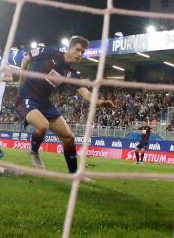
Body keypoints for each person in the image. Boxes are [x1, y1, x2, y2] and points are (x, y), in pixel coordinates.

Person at [16, 36, 115, 174]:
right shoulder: (48, 52)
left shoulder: (70, 73)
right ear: (69, 48)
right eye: (78, 50)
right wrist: (21, 82)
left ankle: (74, 173)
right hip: (27, 96)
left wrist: (100, 102)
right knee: (43, 125)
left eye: (83, 52)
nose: (80, 54)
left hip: (45, 102)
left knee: (69, 137)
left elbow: (85, 93)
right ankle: (33, 151)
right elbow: (26, 59)